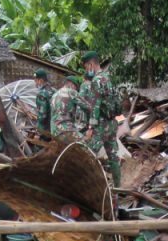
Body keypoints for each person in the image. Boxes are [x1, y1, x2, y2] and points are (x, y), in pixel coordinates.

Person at [80, 51, 122, 186]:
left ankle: (87, 186)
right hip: (112, 123)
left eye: (86, 67)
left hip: (101, 125)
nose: (87, 70)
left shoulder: (96, 81)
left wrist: (90, 127)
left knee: (88, 155)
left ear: (91, 64)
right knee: (113, 157)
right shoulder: (108, 78)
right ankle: (118, 188)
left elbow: (95, 107)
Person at [50, 76, 85, 143]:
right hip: (66, 130)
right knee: (84, 145)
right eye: (75, 87)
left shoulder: (54, 95)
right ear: (71, 84)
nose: (76, 90)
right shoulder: (71, 92)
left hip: (54, 132)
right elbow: (87, 106)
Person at [33, 67, 54, 135]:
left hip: (46, 131)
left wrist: (38, 133)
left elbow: (42, 117)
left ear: (41, 80)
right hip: (54, 129)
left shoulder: (42, 94)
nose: (35, 83)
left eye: (36, 80)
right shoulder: (53, 91)